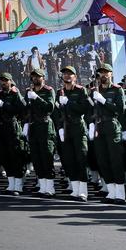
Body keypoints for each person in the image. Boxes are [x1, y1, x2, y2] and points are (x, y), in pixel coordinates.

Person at [90, 64, 126, 204]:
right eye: (101, 73)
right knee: (103, 160)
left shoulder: (117, 90)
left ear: (111, 74)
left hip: (112, 125)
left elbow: (119, 110)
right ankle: (111, 191)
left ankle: (120, 193)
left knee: (115, 160)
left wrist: (103, 101)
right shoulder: (95, 90)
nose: (103, 75)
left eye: (106, 72)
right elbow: (89, 110)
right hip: (99, 126)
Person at [55, 66, 91, 201]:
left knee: (81, 159)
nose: (67, 76)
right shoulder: (60, 92)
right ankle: (75, 190)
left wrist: (69, 103)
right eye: (65, 74)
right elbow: (57, 112)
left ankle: (83, 191)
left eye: (70, 74)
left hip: (78, 128)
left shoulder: (81, 91)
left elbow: (84, 108)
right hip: (66, 128)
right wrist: (60, 128)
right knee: (69, 160)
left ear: (75, 77)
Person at [0, 72, 27, 196]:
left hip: (13, 127)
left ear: (10, 81)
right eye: (1, 80)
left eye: (5, 80)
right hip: (2, 127)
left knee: (15, 157)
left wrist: (5, 105)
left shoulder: (15, 93)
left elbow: (22, 109)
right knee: (5, 157)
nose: (3, 83)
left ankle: (18, 185)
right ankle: (11, 185)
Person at [23, 69, 56, 197]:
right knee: (36, 157)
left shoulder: (48, 90)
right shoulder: (29, 92)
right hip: (33, 126)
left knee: (46, 156)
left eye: (38, 77)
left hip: (45, 125)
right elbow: (26, 110)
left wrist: (36, 98)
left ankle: (50, 187)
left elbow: (50, 107)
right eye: (34, 77)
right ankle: (42, 187)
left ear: (43, 78)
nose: (36, 79)